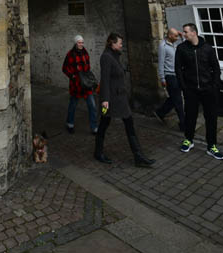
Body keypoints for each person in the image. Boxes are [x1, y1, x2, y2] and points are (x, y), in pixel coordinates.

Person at [94, 33, 155, 167]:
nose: (121, 45)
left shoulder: (115, 56)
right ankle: (98, 153)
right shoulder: (106, 57)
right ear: (112, 43)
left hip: (120, 99)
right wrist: (104, 99)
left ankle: (138, 156)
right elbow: (104, 79)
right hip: (111, 99)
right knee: (104, 125)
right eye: (120, 43)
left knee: (129, 125)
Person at [175, 23, 223, 160]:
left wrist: (214, 86)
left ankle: (212, 146)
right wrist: (184, 87)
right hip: (191, 90)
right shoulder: (181, 49)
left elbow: (216, 68)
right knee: (190, 116)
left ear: (194, 32)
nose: (183, 34)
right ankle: (189, 140)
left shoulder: (207, 48)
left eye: (186, 32)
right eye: (184, 32)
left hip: (208, 89)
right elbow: (178, 69)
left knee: (211, 118)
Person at [62, 34, 98, 134]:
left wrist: (88, 78)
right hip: (76, 85)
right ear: (75, 43)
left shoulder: (85, 53)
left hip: (86, 85)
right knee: (73, 105)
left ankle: (94, 127)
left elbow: (88, 67)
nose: (81, 44)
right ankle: (70, 124)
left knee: (92, 106)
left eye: (82, 42)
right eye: (79, 42)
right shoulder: (70, 54)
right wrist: (72, 76)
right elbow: (64, 68)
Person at [154, 28, 185, 131]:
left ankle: (160, 112)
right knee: (178, 100)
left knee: (173, 98)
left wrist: (182, 37)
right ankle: (183, 124)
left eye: (177, 36)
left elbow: (185, 48)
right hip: (170, 76)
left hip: (177, 75)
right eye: (175, 36)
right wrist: (162, 78)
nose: (177, 38)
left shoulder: (175, 44)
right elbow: (161, 63)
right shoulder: (163, 47)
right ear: (170, 36)